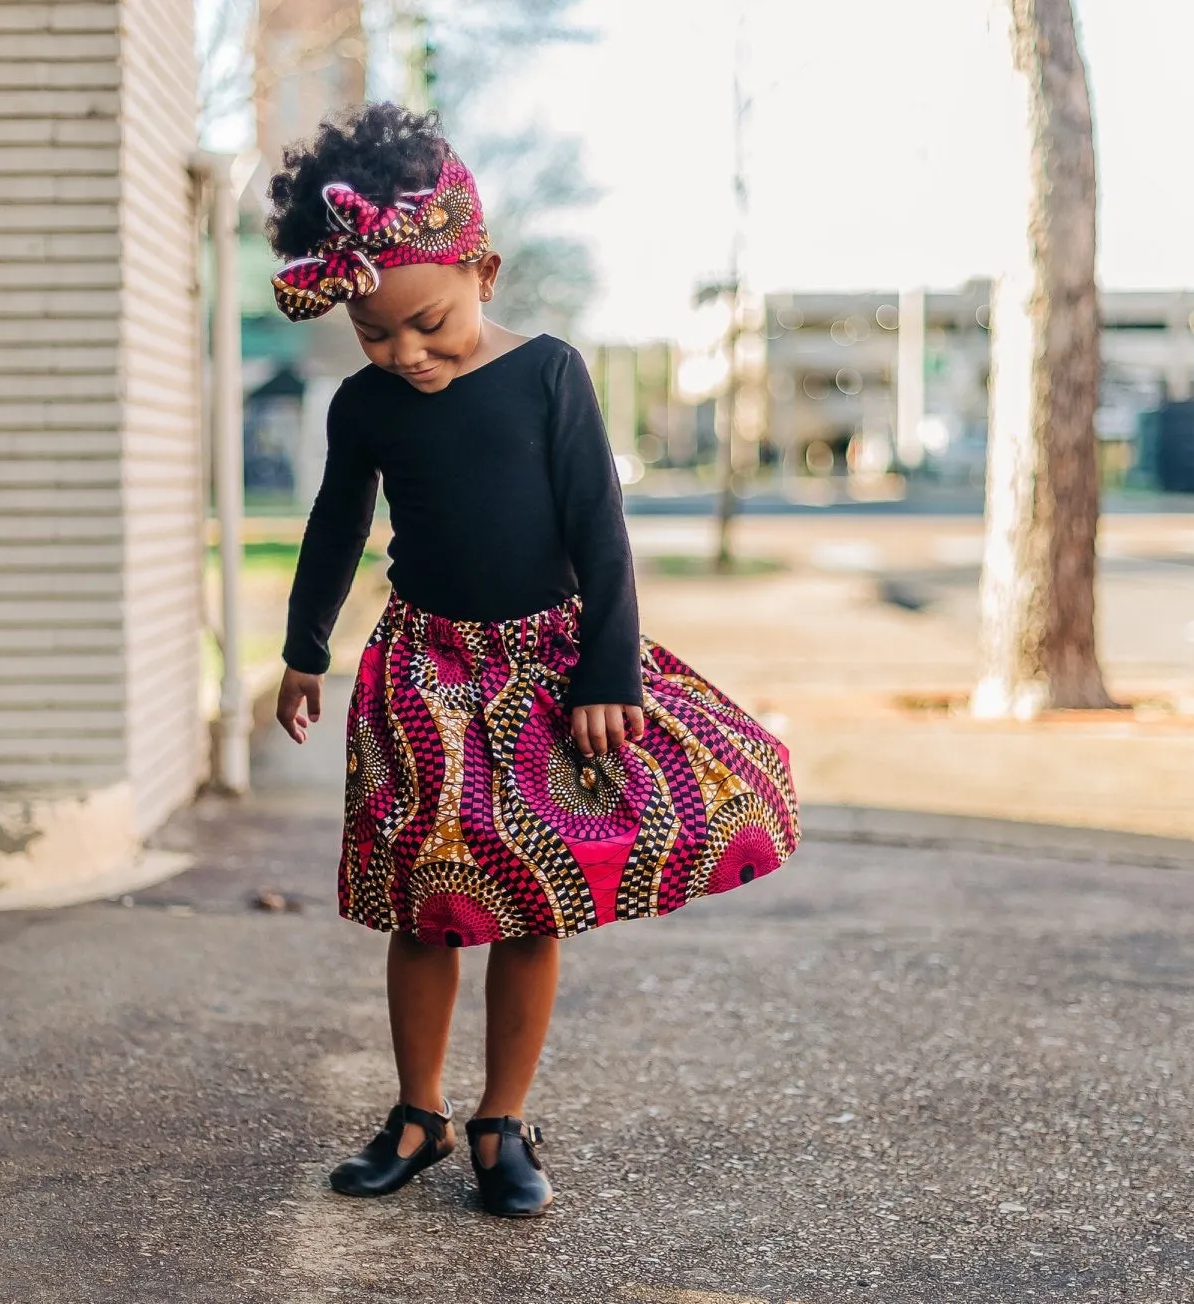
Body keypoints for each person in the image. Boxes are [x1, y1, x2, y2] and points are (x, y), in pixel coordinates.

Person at [269, 103, 800, 1219]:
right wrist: (304, 650)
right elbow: (335, 526)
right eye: (376, 334)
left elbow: (601, 529)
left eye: (430, 321)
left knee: (530, 899)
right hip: (423, 675)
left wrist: (609, 675)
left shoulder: (550, 373)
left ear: (485, 272)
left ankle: (501, 1119)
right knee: (423, 902)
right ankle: (418, 1112)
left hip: (543, 670)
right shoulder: (365, 406)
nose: (406, 353)